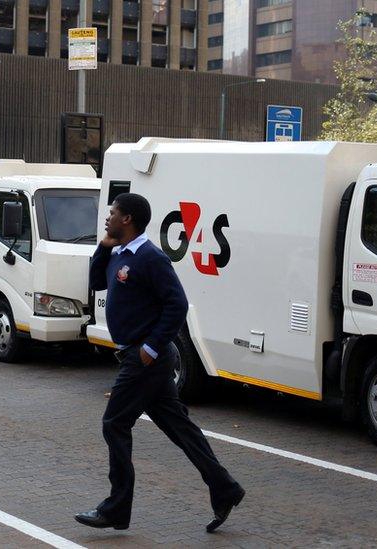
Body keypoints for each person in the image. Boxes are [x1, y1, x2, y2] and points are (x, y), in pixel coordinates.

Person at [75, 193, 244, 534]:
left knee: (115, 424)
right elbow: (95, 283)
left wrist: (151, 348)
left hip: (143, 360)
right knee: (179, 427)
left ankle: (116, 508)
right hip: (138, 358)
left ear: (128, 219)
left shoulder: (151, 258)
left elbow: (177, 304)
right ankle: (225, 488)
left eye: (113, 213)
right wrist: (104, 247)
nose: (107, 218)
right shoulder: (119, 253)